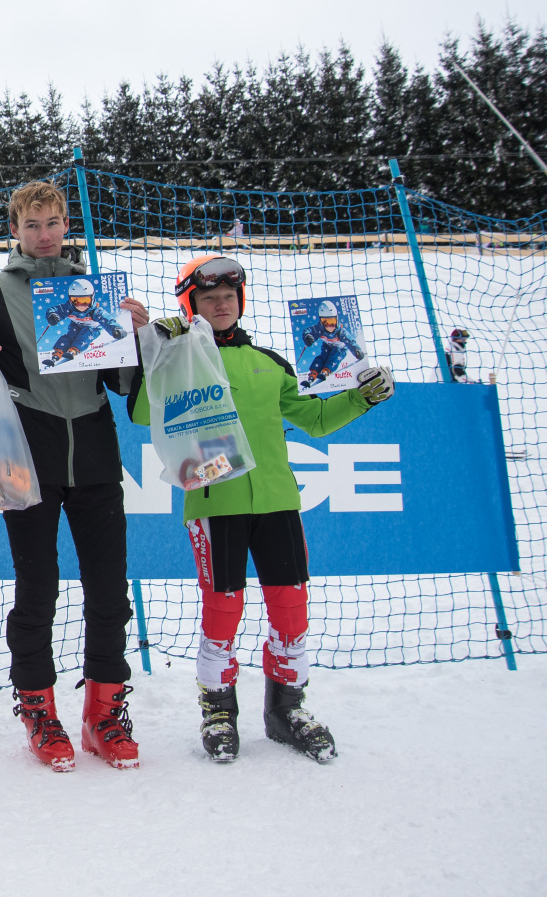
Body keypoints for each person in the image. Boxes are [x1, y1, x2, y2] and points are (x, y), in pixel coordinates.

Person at [130, 255, 394, 763]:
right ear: (191, 305)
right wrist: (157, 351)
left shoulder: (270, 363)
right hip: (215, 502)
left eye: (229, 296)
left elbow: (316, 420)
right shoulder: (181, 357)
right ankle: (218, 712)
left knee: (291, 607)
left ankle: (286, 710)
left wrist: (363, 398)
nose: (221, 304)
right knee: (223, 609)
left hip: (277, 502)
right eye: (209, 298)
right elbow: (143, 412)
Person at [0, 180, 149, 771]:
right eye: (32, 225)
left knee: (109, 591)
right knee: (37, 588)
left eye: (54, 222)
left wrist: (137, 339)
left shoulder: (95, 291)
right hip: (26, 452)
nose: (44, 235)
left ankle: (104, 712)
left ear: (67, 226)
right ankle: (38, 709)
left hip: (94, 451)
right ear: (13, 230)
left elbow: (122, 385)